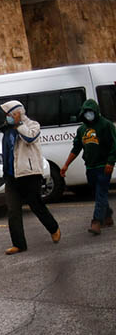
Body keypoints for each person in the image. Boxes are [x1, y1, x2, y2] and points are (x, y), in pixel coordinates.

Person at [0, 100, 61, 254]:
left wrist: (20, 124)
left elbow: (30, 138)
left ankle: (53, 228)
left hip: (30, 174)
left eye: (9, 114)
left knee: (36, 205)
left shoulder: (33, 125)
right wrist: (5, 171)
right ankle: (19, 244)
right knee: (13, 211)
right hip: (11, 176)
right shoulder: (7, 130)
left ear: (17, 113)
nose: (7, 117)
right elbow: (7, 152)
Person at [61, 99, 116, 235]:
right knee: (98, 192)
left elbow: (115, 145)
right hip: (90, 167)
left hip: (103, 166)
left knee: (100, 193)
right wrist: (66, 165)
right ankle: (108, 215)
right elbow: (76, 148)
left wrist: (110, 162)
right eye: (86, 112)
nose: (88, 114)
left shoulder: (106, 125)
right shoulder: (82, 129)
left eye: (90, 112)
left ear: (96, 112)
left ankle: (96, 221)